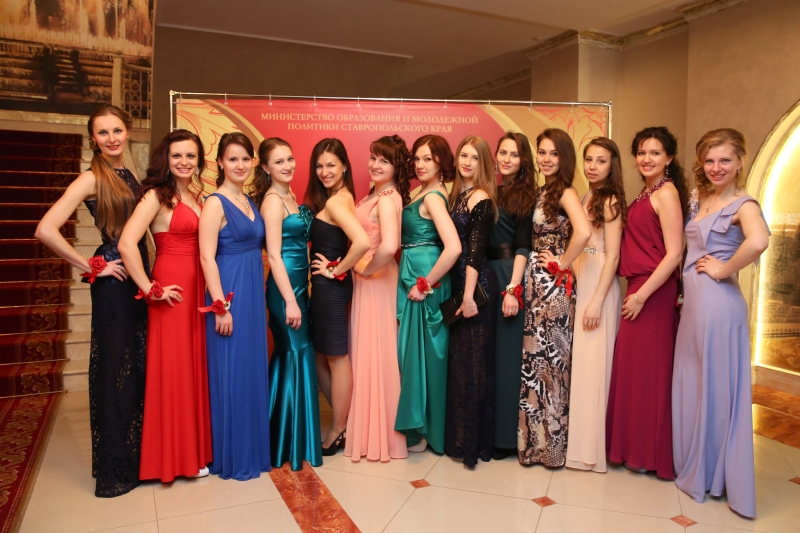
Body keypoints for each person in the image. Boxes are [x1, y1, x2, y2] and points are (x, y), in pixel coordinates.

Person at [35, 105, 147, 497]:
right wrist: (93, 265)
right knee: (115, 371)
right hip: (115, 282)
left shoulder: (130, 172)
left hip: (137, 275)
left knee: (136, 367)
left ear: (127, 132)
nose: (112, 138)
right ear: (93, 139)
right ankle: (115, 471)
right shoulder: (90, 177)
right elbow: (46, 229)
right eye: (103, 133)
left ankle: (136, 457)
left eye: (117, 130)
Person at [672, 129, 769, 518]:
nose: (716, 167)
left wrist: (723, 269)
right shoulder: (702, 197)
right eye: (710, 160)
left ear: (740, 161)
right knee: (696, 383)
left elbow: (759, 242)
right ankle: (697, 464)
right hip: (695, 306)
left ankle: (712, 474)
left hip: (718, 306)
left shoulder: (744, 203)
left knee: (715, 387)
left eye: (725, 160)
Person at [118, 129, 212, 482]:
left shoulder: (196, 196)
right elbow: (127, 243)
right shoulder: (156, 195)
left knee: (191, 367)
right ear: (166, 160)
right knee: (174, 370)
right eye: (177, 156)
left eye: (190, 155)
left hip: (197, 286)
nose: (184, 162)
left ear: (199, 161)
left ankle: (193, 451)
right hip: (172, 287)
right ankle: (173, 459)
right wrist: (149, 288)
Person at [606, 126, 689, 480]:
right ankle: (631, 448)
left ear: (669, 158)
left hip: (653, 292)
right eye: (642, 152)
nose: (647, 158)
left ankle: (649, 453)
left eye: (655, 152)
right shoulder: (647, 192)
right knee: (635, 372)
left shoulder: (666, 192)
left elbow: (675, 253)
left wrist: (641, 295)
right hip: (640, 287)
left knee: (649, 374)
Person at [198, 132, 271, 480]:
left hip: (253, 294)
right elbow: (206, 257)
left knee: (250, 371)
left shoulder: (248, 200)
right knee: (232, 373)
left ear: (252, 162)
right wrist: (220, 306)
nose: (240, 165)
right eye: (232, 159)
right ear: (220, 163)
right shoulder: (215, 202)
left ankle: (252, 451)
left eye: (245, 159)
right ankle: (233, 455)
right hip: (230, 294)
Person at [519, 128, 591, 467]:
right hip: (537, 286)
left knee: (552, 365)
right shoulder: (543, 190)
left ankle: (552, 450)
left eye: (554, 153)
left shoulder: (565, 191)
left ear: (565, 158)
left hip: (553, 289)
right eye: (542, 152)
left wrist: (561, 262)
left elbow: (584, 231)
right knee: (535, 364)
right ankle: (535, 446)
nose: (546, 159)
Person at [253, 138, 322, 471]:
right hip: (285, 292)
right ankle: (284, 442)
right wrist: (291, 301)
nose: (287, 166)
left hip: (298, 288)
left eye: (290, 159)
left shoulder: (290, 195)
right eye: (279, 162)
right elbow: (275, 255)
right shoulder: (272, 201)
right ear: (266, 167)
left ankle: (292, 438)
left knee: (296, 357)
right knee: (293, 354)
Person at [344, 135, 410, 462]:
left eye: (384, 160)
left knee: (376, 353)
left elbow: (390, 245)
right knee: (369, 352)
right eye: (373, 157)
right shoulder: (376, 194)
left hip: (376, 281)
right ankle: (372, 431)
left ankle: (379, 436)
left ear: (397, 167)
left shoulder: (386, 198)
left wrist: (367, 269)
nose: (375, 165)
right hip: (370, 280)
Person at [395, 135, 461, 454]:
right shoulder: (421, 191)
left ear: (441, 162)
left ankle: (424, 432)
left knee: (425, 355)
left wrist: (425, 284)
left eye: (428, 159)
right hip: (416, 272)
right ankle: (422, 427)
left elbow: (454, 248)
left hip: (424, 277)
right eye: (417, 158)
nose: (421, 165)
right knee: (416, 353)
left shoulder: (434, 196)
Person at [305, 138, 371, 456]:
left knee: (336, 357)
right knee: (322, 356)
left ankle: (338, 429)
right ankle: (346, 422)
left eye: (331, 164)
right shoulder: (340, 198)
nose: (324, 171)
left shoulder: (336, 202)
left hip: (330, 288)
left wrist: (334, 270)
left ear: (344, 165)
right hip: (327, 289)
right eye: (319, 166)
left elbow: (361, 242)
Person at [564, 137, 626, 473]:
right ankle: (578, 446)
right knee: (582, 368)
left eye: (601, 161)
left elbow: (612, 255)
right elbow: (583, 245)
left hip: (599, 284)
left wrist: (597, 301)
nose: (592, 166)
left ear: (612, 165)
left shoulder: (611, 200)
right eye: (589, 159)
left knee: (594, 367)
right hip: (583, 277)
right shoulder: (585, 197)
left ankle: (591, 452)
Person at [444, 136, 499, 467]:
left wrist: (468, 297)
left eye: (474, 158)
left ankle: (474, 445)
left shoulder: (481, 197)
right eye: (463, 155)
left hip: (475, 287)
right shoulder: (456, 195)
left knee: (475, 365)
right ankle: (460, 437)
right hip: (458, 284)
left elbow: (475, 253)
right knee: (461, 365)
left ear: (484, 163)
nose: (467, 162)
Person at [488, 132, 537, 460]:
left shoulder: (526, 195)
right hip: (487, 273)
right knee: (490, 357)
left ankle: (506, 439)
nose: (506, 159)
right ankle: (489, 430)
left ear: (524, 161)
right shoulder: (491, 191)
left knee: (507, 359)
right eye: (503, 152)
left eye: (514, 154)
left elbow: (523, 246)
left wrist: (513, 289)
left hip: (509, 275)